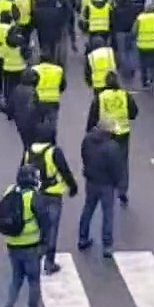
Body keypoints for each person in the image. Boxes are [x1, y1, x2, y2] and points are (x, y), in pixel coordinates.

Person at [0, 165, 48, 307]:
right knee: (33, 282)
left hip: (12, 244)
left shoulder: (10, 191)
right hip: (31, 246)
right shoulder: (33, 197)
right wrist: (45, 244)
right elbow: (44, 221)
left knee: (16, 279)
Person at [22, 125, 78, 275]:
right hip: (53, 194)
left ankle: (34, 258)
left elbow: (23, 170)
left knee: (37, 227)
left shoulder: (29, 150)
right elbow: (64, 171)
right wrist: (73, 187)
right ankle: (49, 262)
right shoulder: (54, 152)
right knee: (52, 228)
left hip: (35, 193)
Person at [85, 70, 138, 202]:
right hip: (123, 133)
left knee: (105, 160)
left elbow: (93, 116)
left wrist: (89, 131)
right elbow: (134, 113)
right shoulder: (124, 95)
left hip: (106, 134)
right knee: (122, 162)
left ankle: (109, 186)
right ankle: (122, 189)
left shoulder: (101, 97)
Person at [79, 117, 127, 256]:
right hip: (107, 184)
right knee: (107, 214)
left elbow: (84, 155)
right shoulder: (112, 147)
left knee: (88, 209)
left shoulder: (88, 140)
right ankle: (107, 245)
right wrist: (118, 183)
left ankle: (82, 238)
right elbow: (117, 168)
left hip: (91, 181)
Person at [111, 0, 140, 84]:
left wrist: (113, 33)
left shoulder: (117, 9)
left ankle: (126, 70)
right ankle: (131, 68)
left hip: (120, 32)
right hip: (131, 31)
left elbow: (113, 22)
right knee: (131, 51)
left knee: (123, 52)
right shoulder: (133, 8)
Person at [134, 0, 154, 89]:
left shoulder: (140, 17)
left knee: (143, 65)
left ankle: (144, 82)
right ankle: (151, 79)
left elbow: (134, 31)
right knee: (152, 64)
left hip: (142, 45)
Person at [8, 69, 41, 150]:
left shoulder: (16, 90)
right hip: (31, 123)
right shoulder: (33, 91)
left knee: (26, 144)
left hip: (20, 123)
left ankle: (26, 155)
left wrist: (11, 115)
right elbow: (37, 107)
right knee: (32, 145)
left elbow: (10, 106)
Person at [32, 52, 66, 128]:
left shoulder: (35, 69)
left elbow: (31, 85)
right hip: (53, 101)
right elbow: (63, 86)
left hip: (38, 100)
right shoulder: (58, 70)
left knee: (38, 122)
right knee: (52, 123)